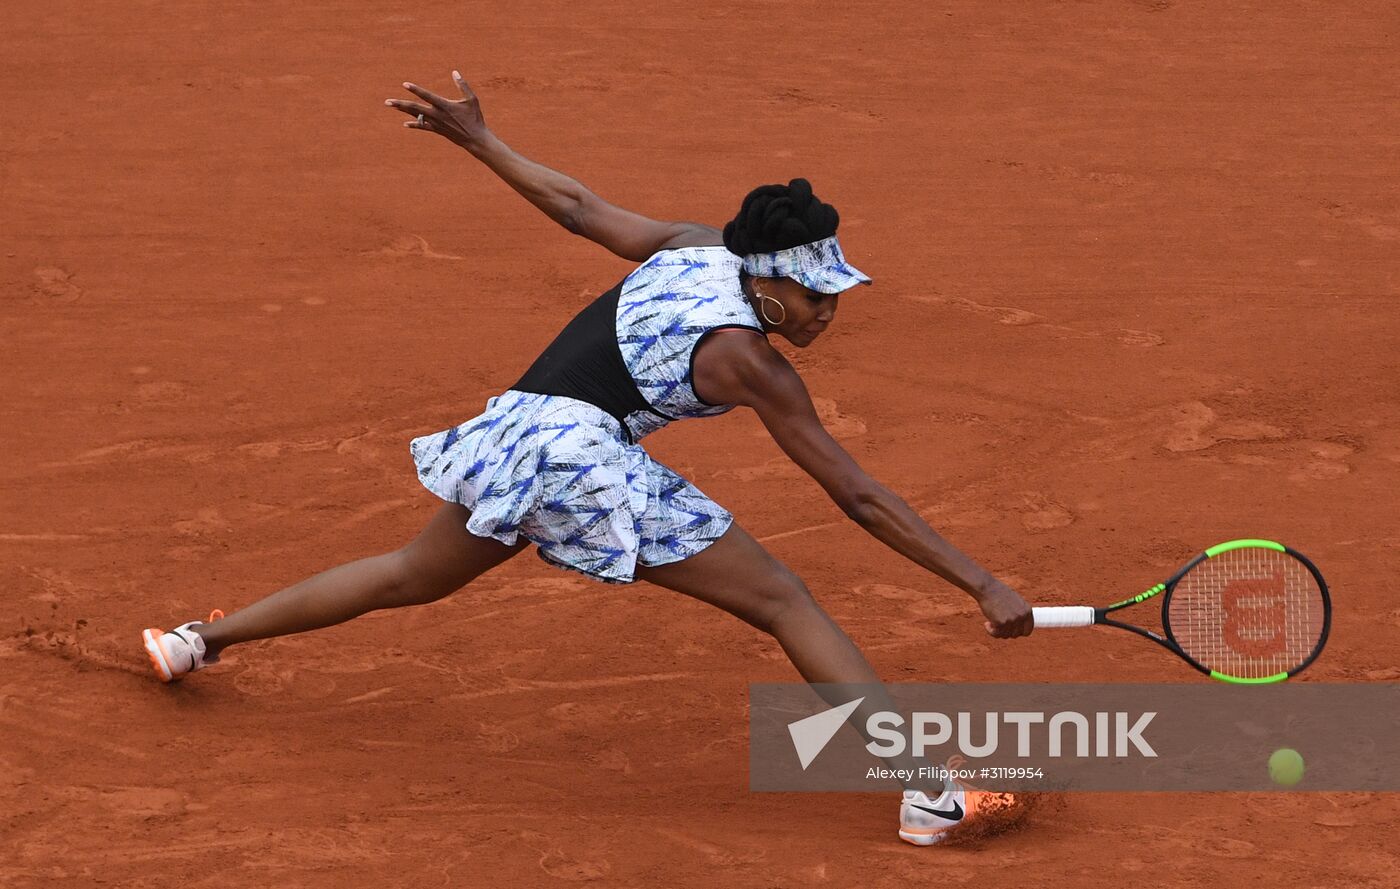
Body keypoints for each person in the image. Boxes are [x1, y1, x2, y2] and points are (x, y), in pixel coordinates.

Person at [141, 71, 1034, 846]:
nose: (827, 312)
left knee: (407, 574)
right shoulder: (748, 363)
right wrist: (978, 581)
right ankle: (931, 795)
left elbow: (577, 208)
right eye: (814, 295)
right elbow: (857, 495)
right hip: (579, 457)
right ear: (768, 282)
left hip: (518, 430)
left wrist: (483, 141)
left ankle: (195, 641)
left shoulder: (697, 246)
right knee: (783, 599)